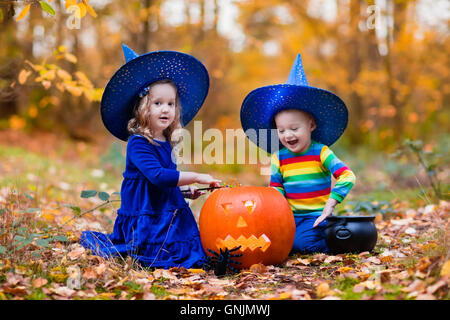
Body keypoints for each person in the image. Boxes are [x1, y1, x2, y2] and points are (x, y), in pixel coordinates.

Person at [80, 44, 221, 268]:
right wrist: (196, 176)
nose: (165, 109)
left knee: (190, 253)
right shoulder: (138, 143)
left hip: (164, 210)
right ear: (142, 108)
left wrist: (183, 191)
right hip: (145, 213)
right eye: (157, 103)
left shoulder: (167, 141)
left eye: (170, 104)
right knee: (157, 254)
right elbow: (157, 176)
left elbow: (167, 181)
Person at [240, 54, 356, 254]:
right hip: (290, 217)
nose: (288, 135)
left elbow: (347, 176)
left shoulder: (321, 152)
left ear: (311, 125)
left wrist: (331, 203)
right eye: (282, 130)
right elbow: (277, 190)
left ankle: (335, 236)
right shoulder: (279, 158)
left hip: (316, 215)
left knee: (302, 246)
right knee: (272, 244)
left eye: (294, 128)